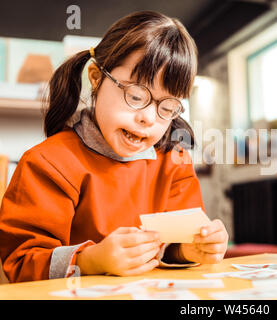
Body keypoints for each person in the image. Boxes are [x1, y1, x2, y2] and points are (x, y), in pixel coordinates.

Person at [0, 11, 228, 283]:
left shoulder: (173, 162)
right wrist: (91, 260)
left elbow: (175, 247)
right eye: (135, 95)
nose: (149, 118)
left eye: (167, 108)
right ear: (96, 77)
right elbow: (21, 261)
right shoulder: (49, 163)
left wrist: (193, 249)